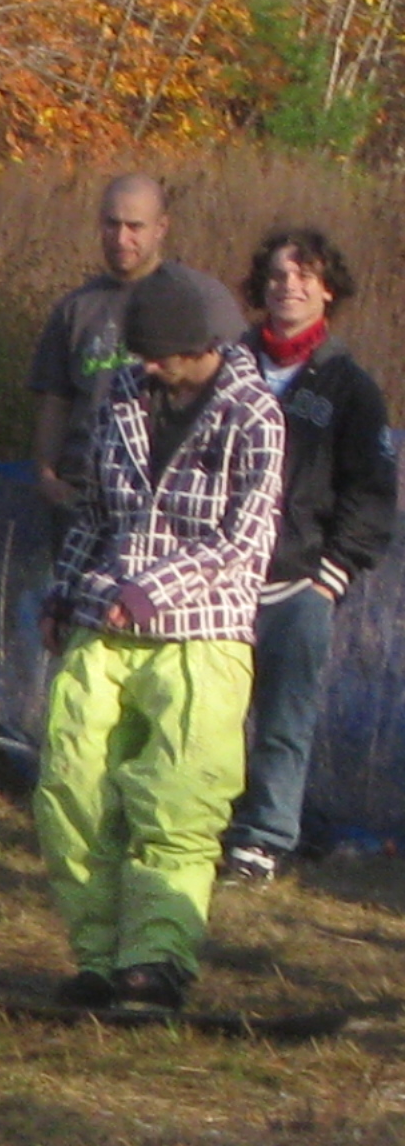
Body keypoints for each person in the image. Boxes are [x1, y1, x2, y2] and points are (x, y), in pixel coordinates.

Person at [37, 268, 284, 1008]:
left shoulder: (256, 416)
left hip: (202, 634)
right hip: (102, 619)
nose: (146, 367)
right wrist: (63, 590)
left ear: (202, 345)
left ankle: (157, 958)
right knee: (72, 784)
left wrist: (154, 591)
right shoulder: (121, 399)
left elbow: (246, 540)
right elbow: (95, 512)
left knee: (177, 797)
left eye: (161, 354)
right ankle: (98, 954)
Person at [220, 226, 393, 884]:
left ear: (327, 289)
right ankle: (202, 826)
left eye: (303, 275)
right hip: (221, 581)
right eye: (277, 275)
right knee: (208, 714)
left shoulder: (350, 387)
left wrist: (333, 573)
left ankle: (261, 842)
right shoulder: (228, 366)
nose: (288, 285)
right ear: (260, 288)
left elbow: (372, 494)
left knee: (283, 722)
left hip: (299, 586)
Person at [27, 175, 239, 522]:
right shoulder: (76, 309)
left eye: (134, 226)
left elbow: (234, 396)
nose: (120, 238)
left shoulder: (199, 300)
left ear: (161, 228)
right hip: (82, 500)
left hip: (166, 502)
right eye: (111, 224)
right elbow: (56, 401)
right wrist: (47, 476)